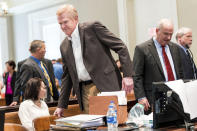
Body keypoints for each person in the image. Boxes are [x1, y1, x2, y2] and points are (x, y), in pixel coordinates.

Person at [54, 4, 133, 115]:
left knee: (114, 123)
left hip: (106, 85)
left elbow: (121, 47)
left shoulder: (92, 28)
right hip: (84, 91)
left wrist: (128, 75)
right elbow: (67, 76)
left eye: (65, 22)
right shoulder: (64, 46)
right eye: (60, 23)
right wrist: (61, 105)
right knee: (92, 125)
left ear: (75, 19)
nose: (62, 26)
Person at [133, 19, 183, 113]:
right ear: (157, 31)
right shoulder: (142, 49)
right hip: (153, 100)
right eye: (165, 34)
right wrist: (141, 97)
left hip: (175, 99)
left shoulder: (175, 48)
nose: (168, 37)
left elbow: (180, 73)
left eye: (171, 34)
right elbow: (137, 76)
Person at [10, 40, 59, 106]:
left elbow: (50, 81)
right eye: (44, 48)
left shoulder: (44, 63)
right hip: (37, 102)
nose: (45, 50)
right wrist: (16, 99)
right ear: (38, 49)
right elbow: (26, 87)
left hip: (49, 99)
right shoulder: (27, 65)